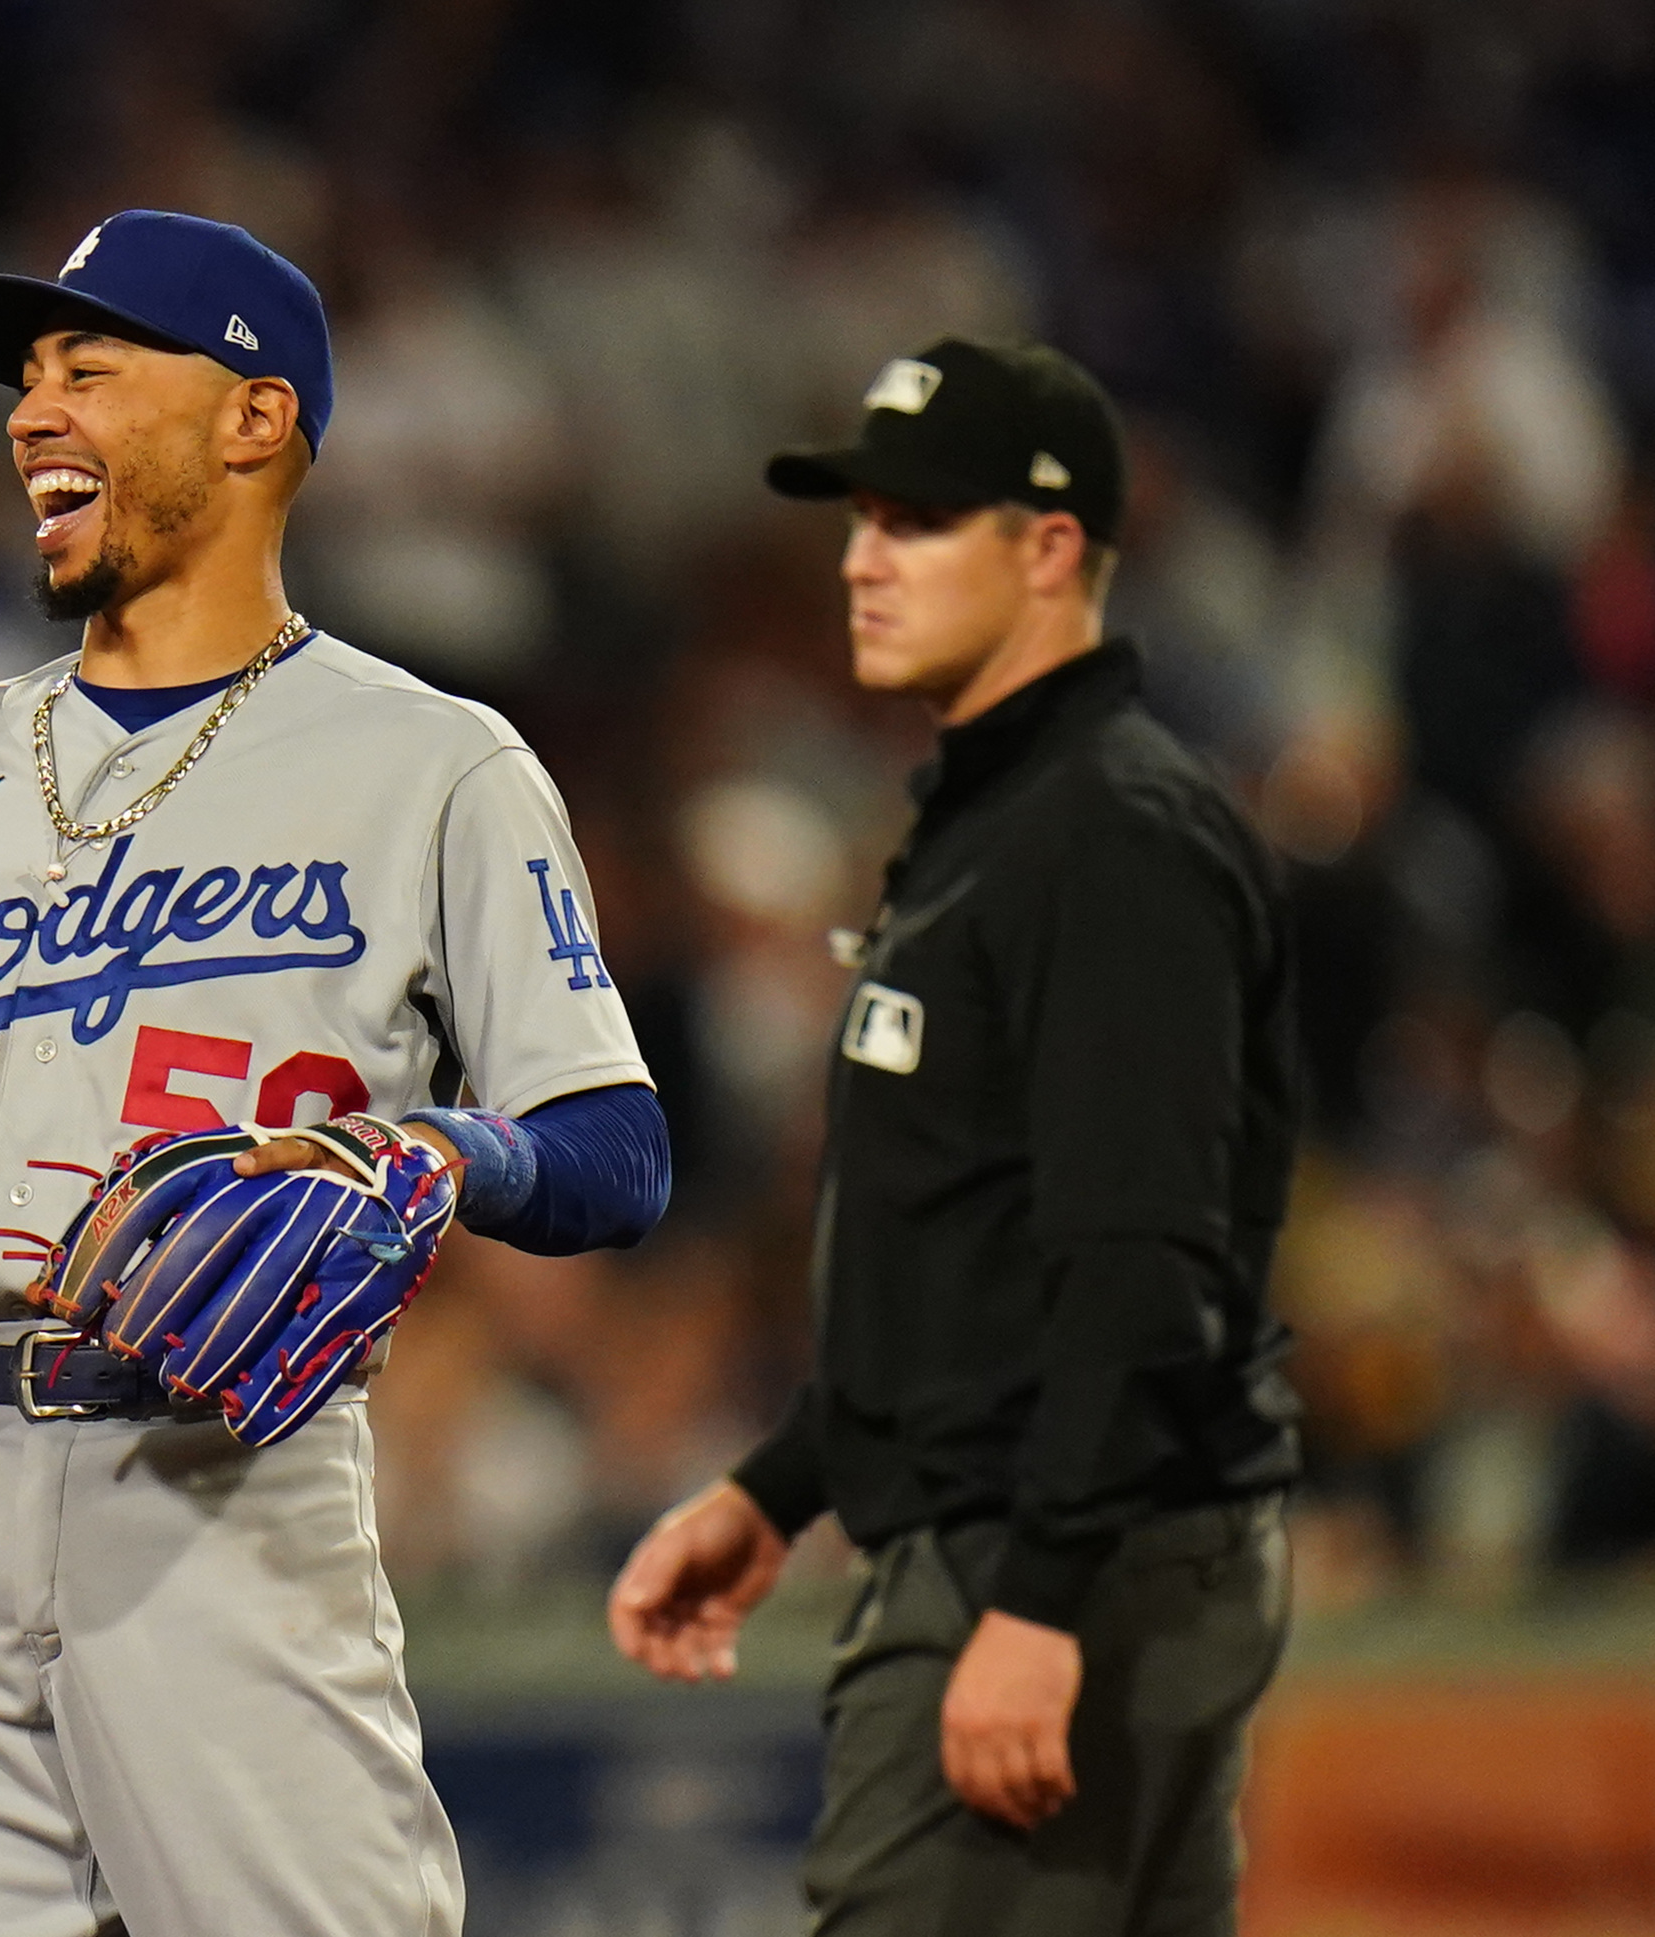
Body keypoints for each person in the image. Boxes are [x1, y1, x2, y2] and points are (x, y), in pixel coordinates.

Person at [0, 209, 673, 1937]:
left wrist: (446, 1153)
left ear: (252, 418)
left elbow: (611, 1142)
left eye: (89, 368)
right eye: (25, 380)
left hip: (218, 1484)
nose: (29, 414)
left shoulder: (429, 762)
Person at [607, 338, 1301, 1935]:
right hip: (1033, 1525)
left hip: (1043, 1547)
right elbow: (963, 1248)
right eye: (857, 521)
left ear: (1049, 548)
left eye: (914, 523)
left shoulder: (1108, 832)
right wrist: (779, 1485)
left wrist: (1040, 1599)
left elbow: (1139, 1255)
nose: (859, 562)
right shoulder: (996, 819)